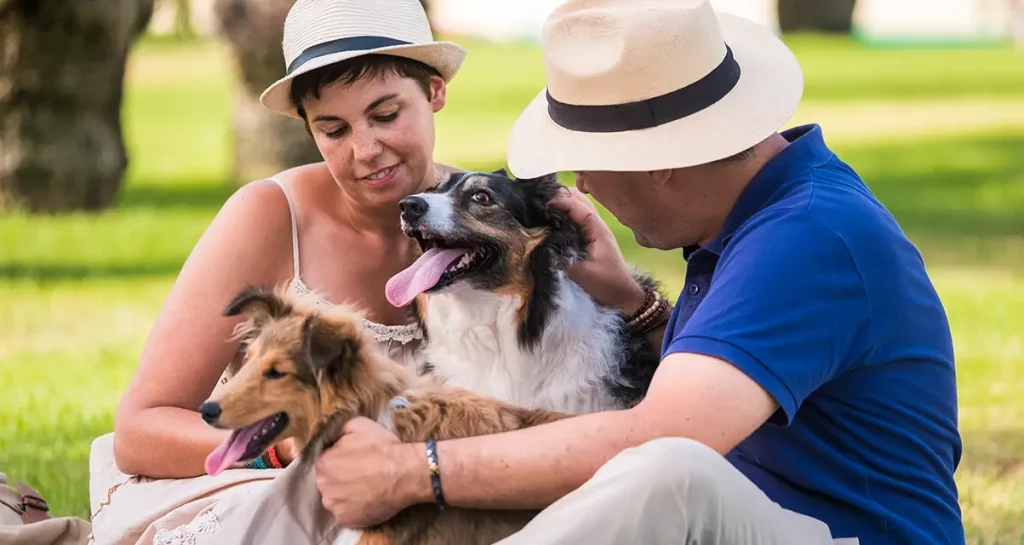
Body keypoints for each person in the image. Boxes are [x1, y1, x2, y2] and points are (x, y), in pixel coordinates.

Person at [307, 1, 966, 544]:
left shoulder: (808, 236)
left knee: (669, 469)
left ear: (662, 159)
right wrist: (631, 302)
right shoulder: (761, 215)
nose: (584, 185)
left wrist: (413, 470)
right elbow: (728, 391)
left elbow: (666, 433)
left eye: (588, 160)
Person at [85, 0, 475, 543]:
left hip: (441, 487)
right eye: (333, 129)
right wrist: (288, 444)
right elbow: (140, 428)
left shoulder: (491, 221)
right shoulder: (269, 216)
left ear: (434, 92)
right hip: (273, 486)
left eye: (386, 115)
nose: (366, 150)